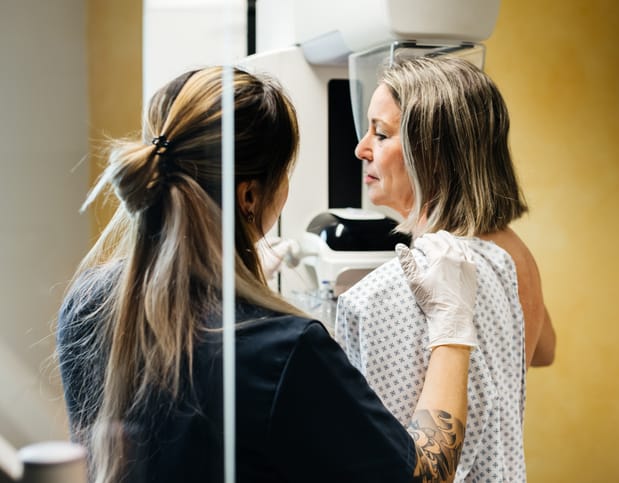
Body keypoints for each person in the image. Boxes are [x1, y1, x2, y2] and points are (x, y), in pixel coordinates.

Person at [55, 66, 480, 483]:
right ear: (250, 195)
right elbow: (425, 478)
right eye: (285, 173)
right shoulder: (286, 350)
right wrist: (452, 328)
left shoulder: (86, 303)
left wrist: (238, 275)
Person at [334, 55, 556, 482]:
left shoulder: (408, 285)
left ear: (432, 156)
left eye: (380, 134)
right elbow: (542, 350)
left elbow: (391, 460)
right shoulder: (510, 254)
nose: (361, 148)